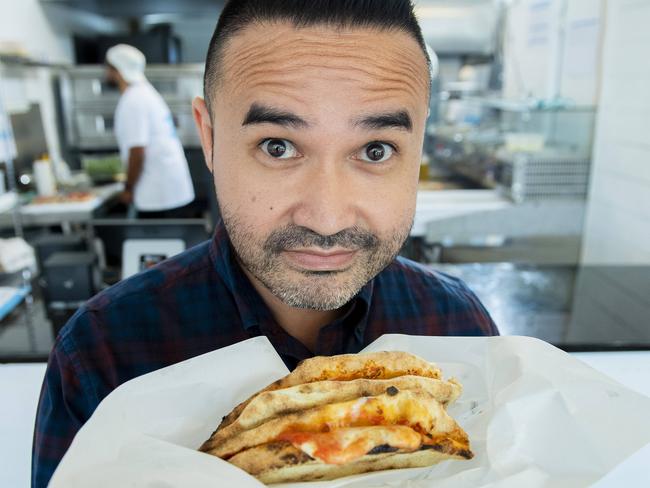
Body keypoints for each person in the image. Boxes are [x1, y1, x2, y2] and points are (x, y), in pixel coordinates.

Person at [32, 1, 499, 486]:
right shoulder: (103, 354)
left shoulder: (460, 328)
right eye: (278, 146)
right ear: (209, 138)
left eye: (375, 150)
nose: (327, 218)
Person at [105, 44, 195, 218]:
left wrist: (128, 188)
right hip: (169, 189)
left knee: (157, 244)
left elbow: (137, 151)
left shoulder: (133, 100)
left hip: (157, 194)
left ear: (117, 70)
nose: (105, 73)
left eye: (108, 68)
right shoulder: (145, 93)